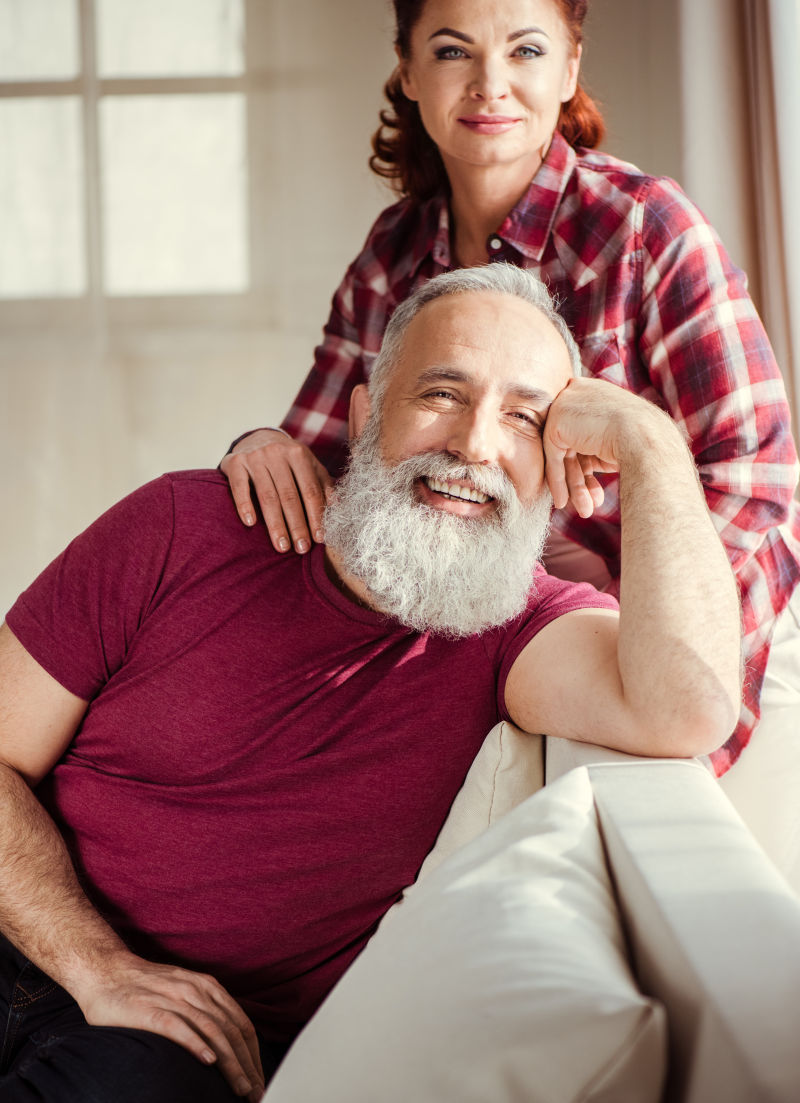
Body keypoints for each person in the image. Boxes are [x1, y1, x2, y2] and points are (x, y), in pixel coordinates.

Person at [0, 265, 740, 1101]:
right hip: (29, 931)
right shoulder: (182, 525)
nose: (473, 444)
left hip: (162, 1046)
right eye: (441, 394)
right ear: (362, 416)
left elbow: (693, 703)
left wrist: (650, 444)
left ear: (557, 460)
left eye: (525, 418)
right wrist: (95, 963)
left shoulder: (523, 633)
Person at [218, 0, 800, 780]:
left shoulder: (647, 227)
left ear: (569, 68)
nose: (492, 84)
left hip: (671, 611)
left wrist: (626, 622)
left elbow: (756, 478)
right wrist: (260, 446)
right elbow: (328, 457)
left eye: (526, 51)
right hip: (495, 615)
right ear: (409, 72)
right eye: (453, 51)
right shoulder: (391, 254)